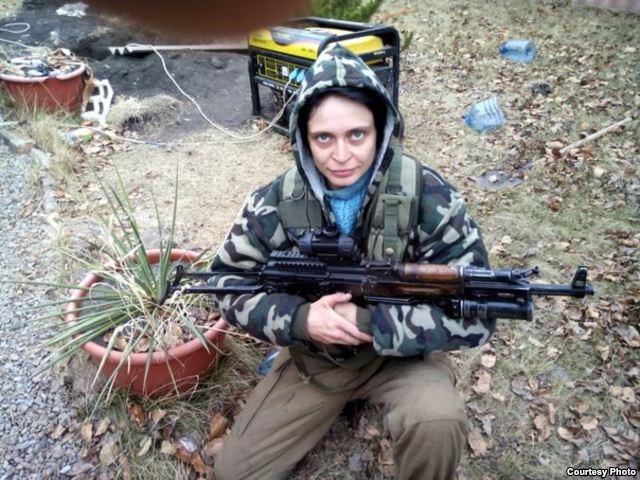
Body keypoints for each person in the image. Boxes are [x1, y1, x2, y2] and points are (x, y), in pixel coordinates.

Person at [210, 43, 495, 480]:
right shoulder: (275, 201)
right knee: (235, 473)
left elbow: (477, 312)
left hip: (404, 356)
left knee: (436, 420)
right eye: (323, 137)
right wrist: (301, 320)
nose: (341, 155)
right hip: (316, 358)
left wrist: (368, 323)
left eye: (357, 135)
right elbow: (228, 283)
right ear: (302, 138)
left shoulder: (429, 196)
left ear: (381, 129)